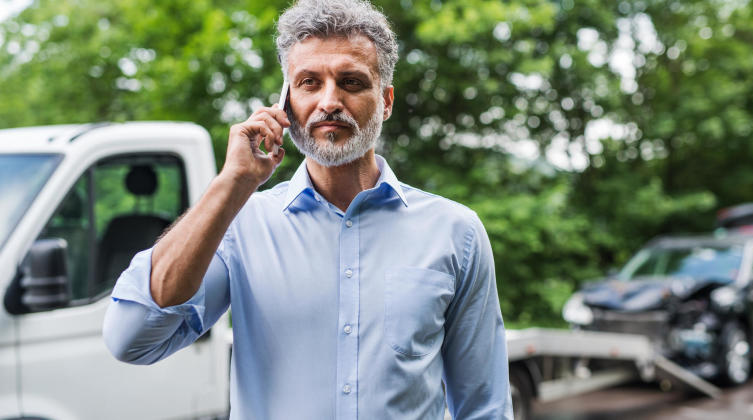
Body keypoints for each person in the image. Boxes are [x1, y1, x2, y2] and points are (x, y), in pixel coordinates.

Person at [102, 0, 513, 418]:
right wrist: (232, 183)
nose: (329, 101)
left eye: (351, 82)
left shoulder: (455, 232)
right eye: (309, 82)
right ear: (285, 103)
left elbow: (484, 406)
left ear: (386, 102)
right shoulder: (241, 227)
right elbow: (131, 339)